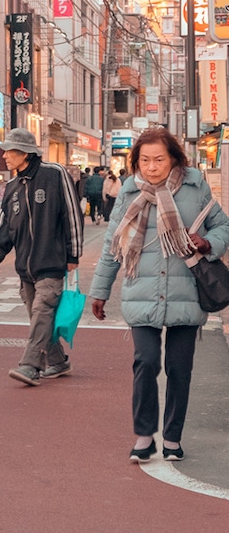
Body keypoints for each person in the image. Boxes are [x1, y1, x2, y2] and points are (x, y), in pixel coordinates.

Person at [89, 127, 229, 462]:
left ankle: (172, 437)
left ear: (174, 159)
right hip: (142, 291)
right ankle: (143, 435)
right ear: (136, 162)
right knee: (146, 362)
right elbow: (113, 245)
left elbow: (223, 225)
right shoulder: (127, 192)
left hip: (187, 293)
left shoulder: (195, 187)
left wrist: (209, 243)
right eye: (145, 160)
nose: (151, 167)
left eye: (159, 160)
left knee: (180, 369)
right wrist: (100, 291)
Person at [0, 127, 83, 386]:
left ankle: (30, 366)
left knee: (42, 312)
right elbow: (5, 224)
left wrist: (74, 252)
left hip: (51, 262)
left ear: (25, 153)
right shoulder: (11, 187)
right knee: (38, 318)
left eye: (9, 151)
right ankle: (58, 361)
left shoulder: (55, 175)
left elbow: (72, 213)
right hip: (25, 267)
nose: (5, 156)